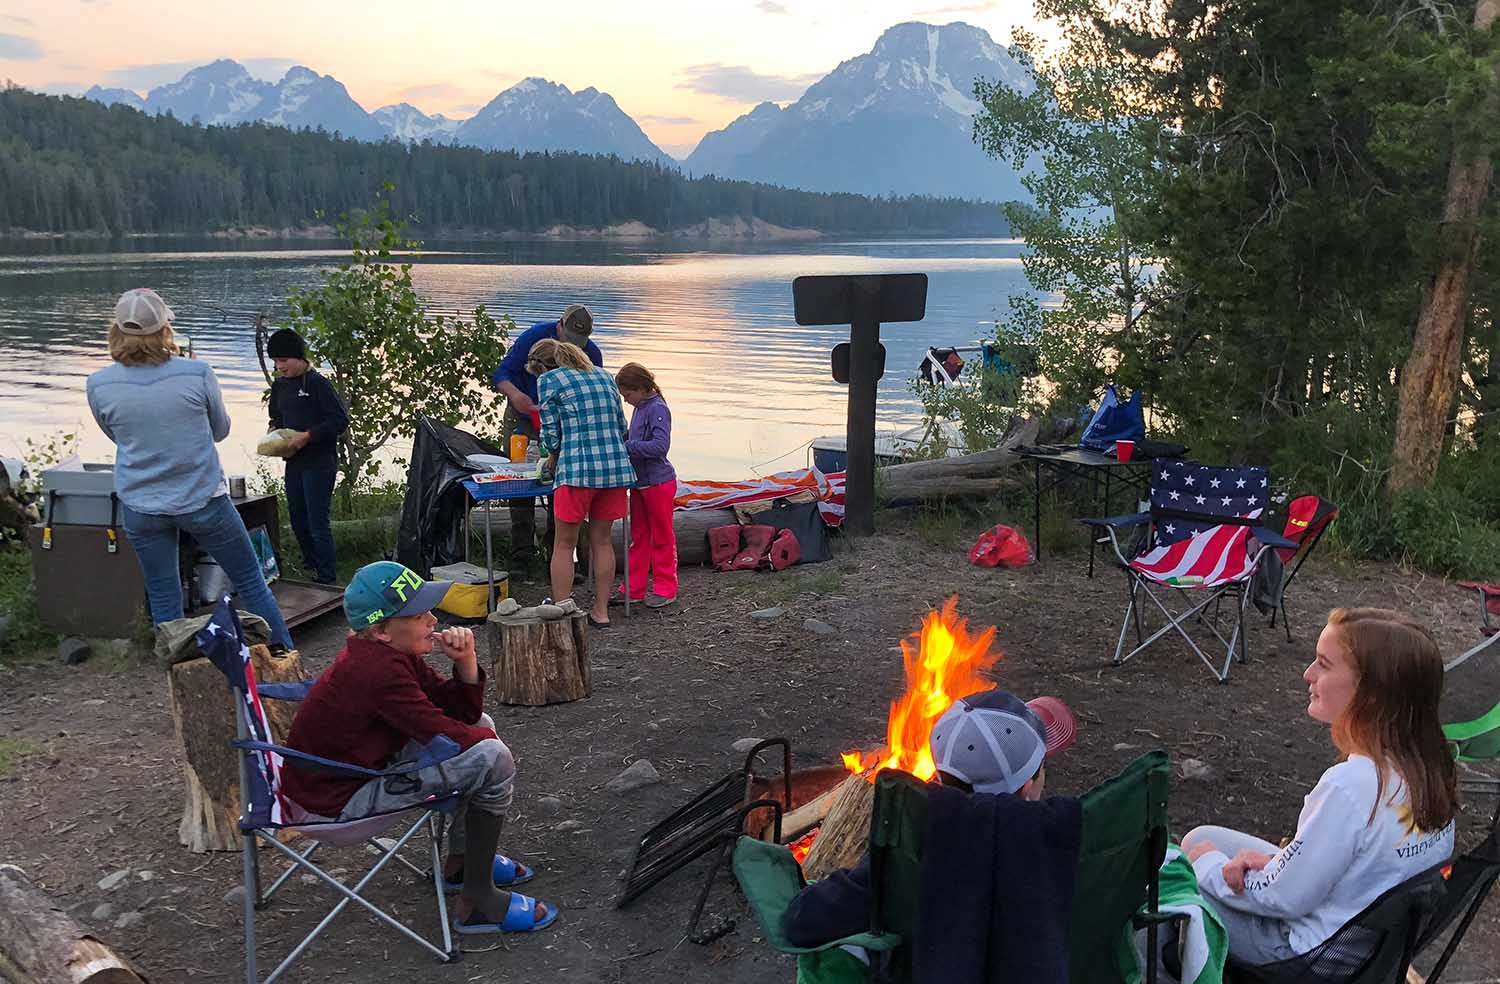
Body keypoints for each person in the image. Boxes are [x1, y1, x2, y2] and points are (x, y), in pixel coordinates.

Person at [280, 561, 557, 934]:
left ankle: (462, 862)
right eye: (419, 613)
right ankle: (478, 902)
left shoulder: (389, 655)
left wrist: (466, 663)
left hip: (346, 778)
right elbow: (444, 738)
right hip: (333, 807)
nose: (432, 619)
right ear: (381, 630)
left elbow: (460, 712)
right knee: (492, 758)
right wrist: (490, 752)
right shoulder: (378, 673)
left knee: (482, 731)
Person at [1183, 607, 1458, 966]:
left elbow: (1286, 899)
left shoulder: (1352, 786)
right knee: (1202, 837)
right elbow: (1364, 867)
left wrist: (1207, 868)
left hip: (1304, 956)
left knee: (1173, 878)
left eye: (1324, 665)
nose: (1307, 674)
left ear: (1371, 694)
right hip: (1366, 950)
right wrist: (1272, 863)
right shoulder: (1428, 770)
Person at [784, 688, 1077, 949]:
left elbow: (800, 922)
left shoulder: (907, 859)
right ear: (1028, 787)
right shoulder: (1067, 849)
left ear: (937, 776)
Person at [86, 288, 293, 649]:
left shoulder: (99, 384)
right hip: (202, 502)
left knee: (165, 598)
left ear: (116, 330)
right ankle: (286, 665)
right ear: (165, 329)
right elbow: (220, 430)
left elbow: (119, 436)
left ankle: (182, 684)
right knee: (250, 582)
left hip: (142, 507)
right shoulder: (196, 372)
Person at [489, 305, 603, 573]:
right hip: (523, 419)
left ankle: (557, 555)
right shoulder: (534, 339)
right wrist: (516, 396)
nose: (572, 347)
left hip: (564, 423)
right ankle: (521, 555)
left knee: (562, 485)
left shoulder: (592, 353)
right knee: (520, 483)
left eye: (578, 343)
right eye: (568, 340)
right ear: (559, 325)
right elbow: (501, 374)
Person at [529, 338, 634, 628]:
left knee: (564, 544)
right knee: (602, 541)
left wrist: (552, 456)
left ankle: (563, 611)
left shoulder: (550, 380)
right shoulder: (604, 375)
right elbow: (621, 426)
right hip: (614, 470)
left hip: (576, 471)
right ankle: (601, 611)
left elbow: (550, 434)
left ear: (543, 366)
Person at [266, 328, 348, 584]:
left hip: (320, 462)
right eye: (276, 362)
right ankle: (310, 563)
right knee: (297, 517)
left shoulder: (317, 384)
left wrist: (308, 436)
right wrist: (273, 433)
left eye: (283, 361)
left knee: (316, 520)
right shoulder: (280, 386)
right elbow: (276, 417)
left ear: (300, 358)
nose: (280, 367)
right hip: (294, 461)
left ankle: (327, 576)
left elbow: (339, 420)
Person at [614, 363, 677, 609]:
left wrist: (628, 447)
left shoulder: (658, 409)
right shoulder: (640, 407)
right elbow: (634, 437)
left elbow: (661, 446)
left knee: (662, 537)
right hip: (639, 483)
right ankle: (633, 588)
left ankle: (666, 588)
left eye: (628, 395)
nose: (627, 400)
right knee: (638, 537)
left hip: (659, 483)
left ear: (640, 388)